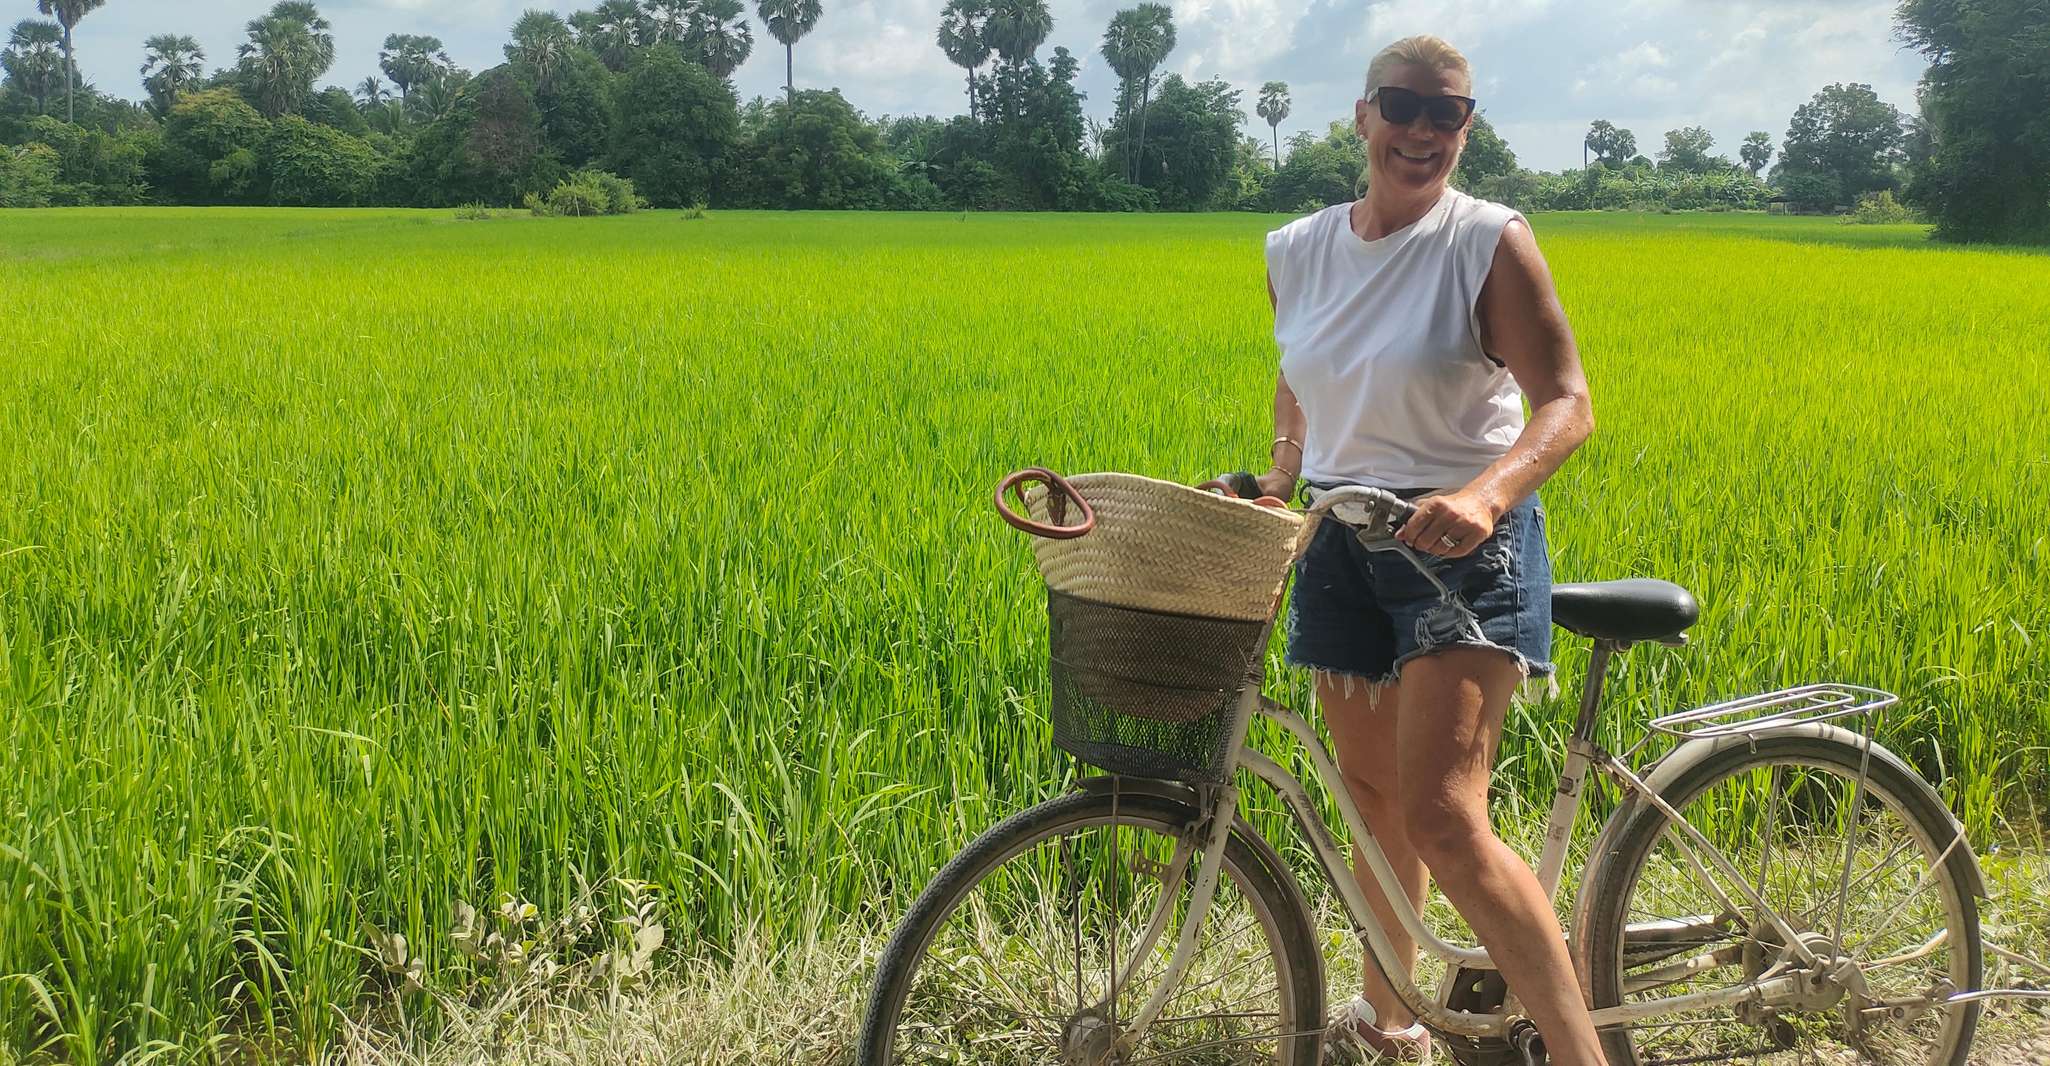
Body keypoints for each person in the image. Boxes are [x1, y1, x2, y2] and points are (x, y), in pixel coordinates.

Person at [1256, 34, 1602, 1066]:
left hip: (1461, 552)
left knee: (1444, 817)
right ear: (1361, 117)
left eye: (1444, 113)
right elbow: (1303, 377)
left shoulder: (1485, 240)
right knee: (1371, 807)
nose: (1420, 130)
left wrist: (1488, 494)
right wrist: (1277, 475)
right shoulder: (1296, 248)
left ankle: (1581, 1055)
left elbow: (1567, 403)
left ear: (1466, 125)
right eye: (1401, 106)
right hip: (1341, 535)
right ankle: (1393, 1023)